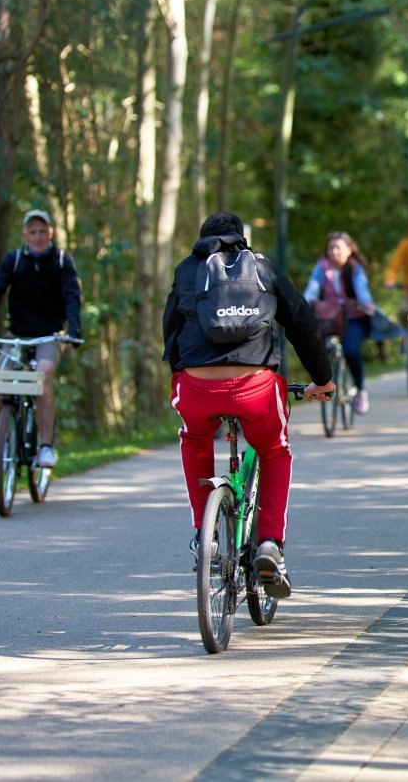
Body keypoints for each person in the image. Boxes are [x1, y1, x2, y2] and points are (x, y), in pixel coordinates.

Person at [162, 212, 335, 598]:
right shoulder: (261, 268)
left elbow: (170, 328)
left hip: (196, 387)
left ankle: (202, 537)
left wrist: (181, 373)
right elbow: (302, 323)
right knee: (275, 451)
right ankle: (271, 543)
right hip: (255, 388)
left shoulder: (188, 270)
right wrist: (322, 379)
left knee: (194, 439)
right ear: (241, 239)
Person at [0, 209, 83, 468]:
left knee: (42, 375)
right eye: (32, 231)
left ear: (50, 232)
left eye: (42, 231)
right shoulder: (14, 260)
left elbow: (72, 298)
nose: (38, 236)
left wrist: (74, 330)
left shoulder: (63, 261)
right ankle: (5, 440)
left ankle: (45, 446)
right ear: (25, 234)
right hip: (17, 335)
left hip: (49, 336)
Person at [304, 231, 376, 415]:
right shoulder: (322, 267)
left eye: (338, 248)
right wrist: (305, 303)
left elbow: (362, 290)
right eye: (330, 248)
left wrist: (366, 303)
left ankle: (360, 390)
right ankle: (321, 382)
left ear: (349, 250)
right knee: (312, 345)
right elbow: (312, 288)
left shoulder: (355, 268)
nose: (334, 252)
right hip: (329, 317)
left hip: (354, 316)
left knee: (351, 350)